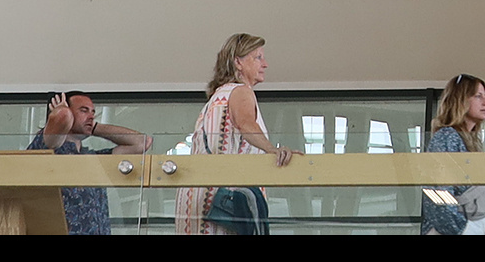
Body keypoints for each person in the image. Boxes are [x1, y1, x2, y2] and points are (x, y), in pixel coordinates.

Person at [175, 33, 296, 234]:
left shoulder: (216, 97)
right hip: (224, 203)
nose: (265, 64)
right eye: (258, 57)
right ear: (238, 62)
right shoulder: (240, 91)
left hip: (197, 196)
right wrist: (272, 150)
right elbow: (245, 124)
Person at [27, 90, 151, 235]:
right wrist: (62, 112)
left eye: (93, 112)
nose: (91, 116)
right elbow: (62, 118)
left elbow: (142, 143)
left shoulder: (94, 157)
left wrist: (94, 127)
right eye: (83, 111)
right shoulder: (47, 147)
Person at [421, 73, 485, 235]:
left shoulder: (471, 142)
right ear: (461, 100)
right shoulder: (447, 137)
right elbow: (439, 191)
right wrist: (460, 227)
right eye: (478, 96)